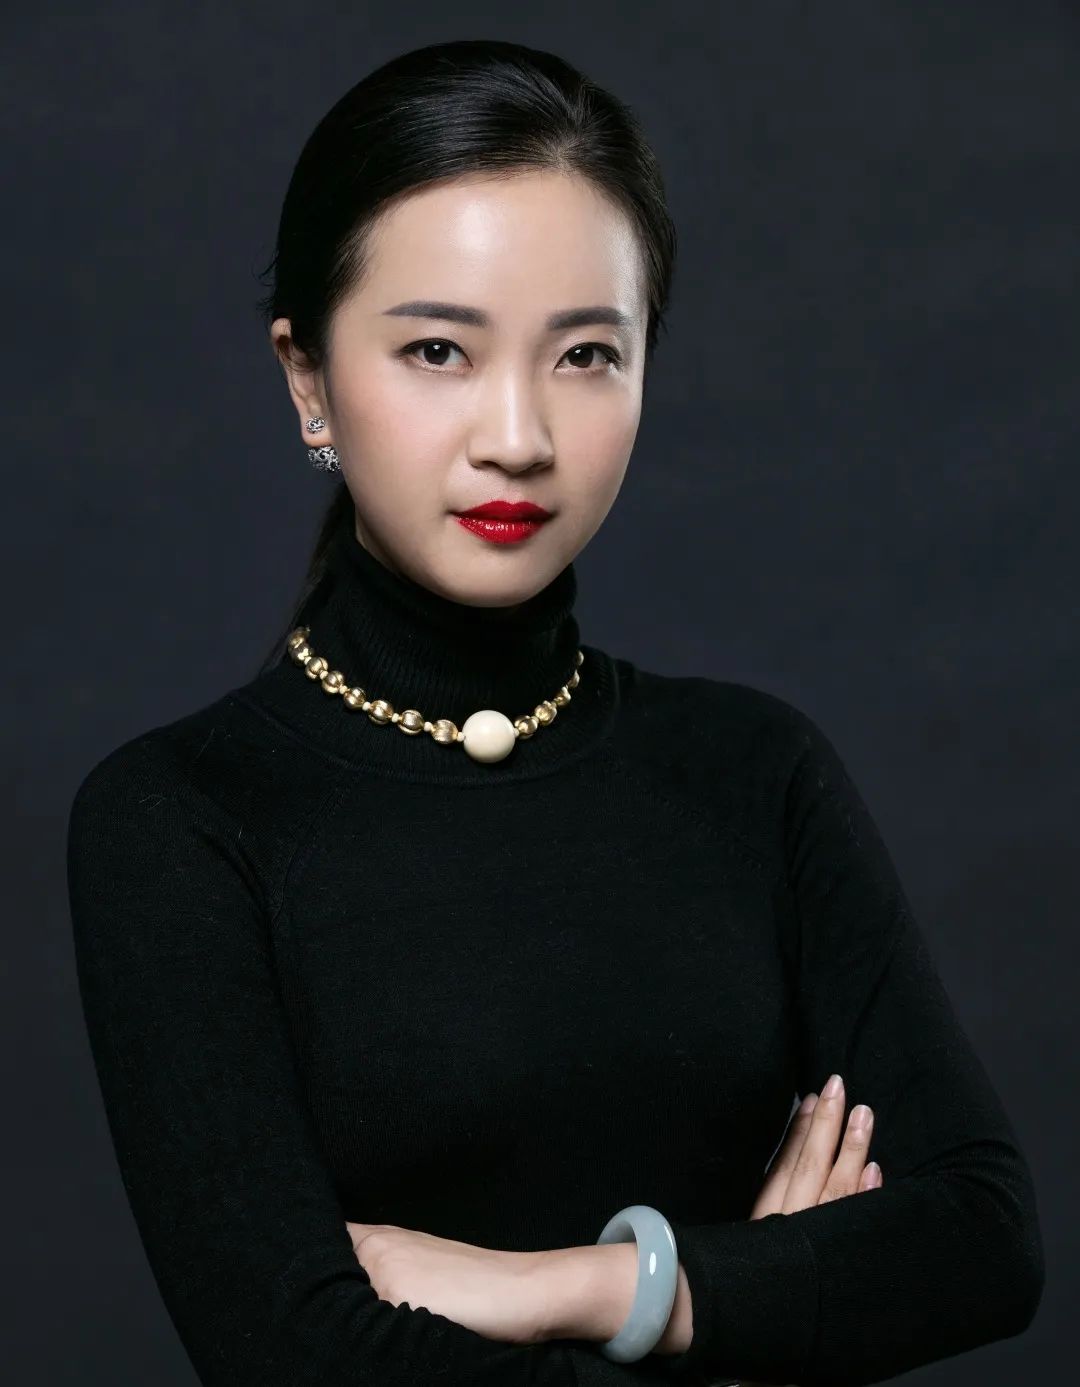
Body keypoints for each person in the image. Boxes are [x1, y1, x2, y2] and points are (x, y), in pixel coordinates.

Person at [66, 38, 1044, 1387]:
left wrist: (577, 1288)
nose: (518, 436)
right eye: (436, 351)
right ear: (308, 379)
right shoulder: (182, 822)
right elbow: (297, 1357)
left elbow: (985, 1241)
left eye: (586, 353)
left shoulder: (752, 771)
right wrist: (750, 1319)